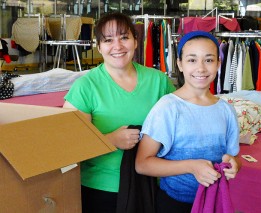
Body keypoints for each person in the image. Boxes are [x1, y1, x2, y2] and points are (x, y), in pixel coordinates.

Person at [63, 12, 176, 213]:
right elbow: (70, 146)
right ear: (99, 47)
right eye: (108, 40)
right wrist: (111, 140)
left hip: (153, 185)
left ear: (135, 41)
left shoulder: (159, 81)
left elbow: (181, 127)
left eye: (124, 37)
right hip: (101, 189)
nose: (118, 46)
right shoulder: (85, 87)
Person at [135, 31, 241, 213]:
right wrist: (191, 166)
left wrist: (235, 164)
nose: (201, 68)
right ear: (180, 64)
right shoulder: (167, 108)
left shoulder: (226, 110)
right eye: (192, 60)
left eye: (208, 60)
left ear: (218, 64)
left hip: (215, 200)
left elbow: (234, 156)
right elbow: (142, 164)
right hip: (174, 204)